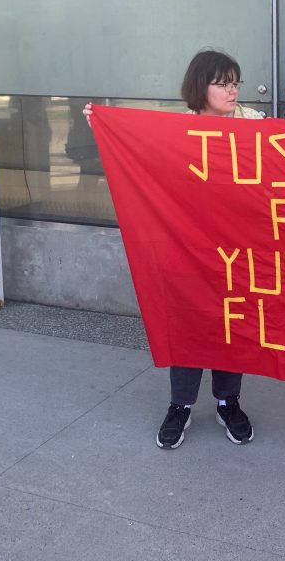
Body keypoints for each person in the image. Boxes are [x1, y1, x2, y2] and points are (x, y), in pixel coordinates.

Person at [84, 49, 261, 449]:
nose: (232, 91)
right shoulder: (176, 130)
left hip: (239, 248)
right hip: (188, 248)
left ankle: (227, 402)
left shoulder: (256, 127)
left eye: (236, 82)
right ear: (202, 87)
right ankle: (180, 405)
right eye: (223, 83)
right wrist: (103, 123)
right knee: (189, 323)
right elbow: (136, 144)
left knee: (231, 323)